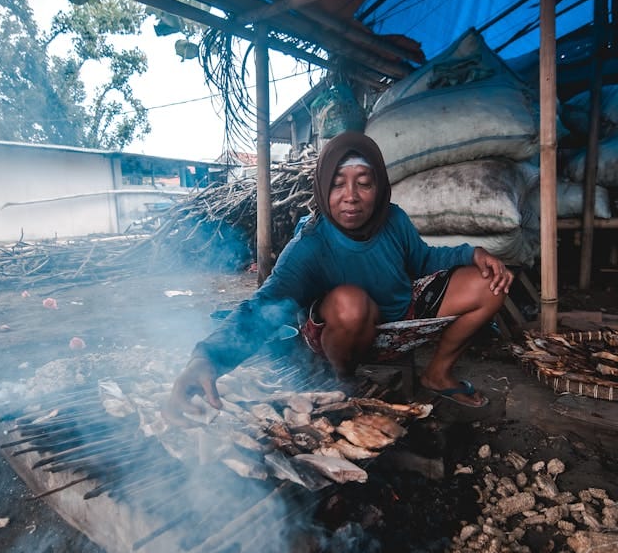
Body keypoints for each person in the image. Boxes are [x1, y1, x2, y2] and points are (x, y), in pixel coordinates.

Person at [164, 131, 513, 423]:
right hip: (339, 336)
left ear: (379, 189)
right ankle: (343, 378)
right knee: (350, 303)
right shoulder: (311, 244)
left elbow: (423, 260)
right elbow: (266, 305)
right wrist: (207, 358)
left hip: (399, 325)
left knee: (489, 284)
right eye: (337, 184)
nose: (351, 196)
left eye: (364, 183)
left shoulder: (393, 220)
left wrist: (472, 254)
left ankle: (437, 373)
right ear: (321, 187)